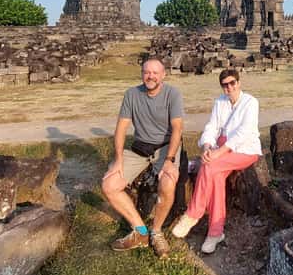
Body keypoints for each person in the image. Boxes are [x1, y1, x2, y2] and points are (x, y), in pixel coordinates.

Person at [171, 68, 261, 253]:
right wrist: (206, 147)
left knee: (210, 166)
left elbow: (244, 133)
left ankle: (193, 213)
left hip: (244, 150)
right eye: (225, 85)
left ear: (239, 83)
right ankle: (215, 233)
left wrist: (218, 153)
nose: (229, 88)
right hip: (220, 150)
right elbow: (212, 126)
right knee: (215, 176)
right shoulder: (220, 102)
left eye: (232, 83)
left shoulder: (251, 102)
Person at [102, 58, 183, 258]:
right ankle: (141, 231)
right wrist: (119, 159)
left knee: (168, 183)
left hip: (165, 148)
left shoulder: (172, 94)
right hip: (140, 149)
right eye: (147, 72)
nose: (151, 76)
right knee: (109, 185)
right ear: (142, 74)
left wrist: (169, 160)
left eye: (155, 72)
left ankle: (156, 231)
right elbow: (121, 128)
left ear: (163, 75)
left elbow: (177, 129)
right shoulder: (131, 94)